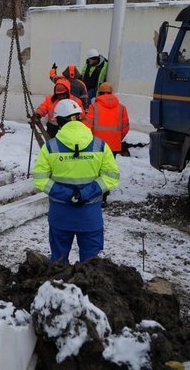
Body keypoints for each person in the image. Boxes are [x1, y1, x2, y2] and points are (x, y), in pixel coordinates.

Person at [33, 99, 119, 264]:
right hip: (90, 217)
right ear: (80, 118)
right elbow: (111, 177)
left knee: (58, 264)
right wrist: (84, 194)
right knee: (91, 267)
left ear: (58, 121)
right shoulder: (99, 146)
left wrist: (67, 194)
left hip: (60, 215)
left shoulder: (51, 147)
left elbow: (40, 179)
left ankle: (58, 288)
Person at [83, 82, 130, 156]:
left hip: (97, 144)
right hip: (114, 145)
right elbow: (125, 128)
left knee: (97, 166)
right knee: (110, 166)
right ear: (111, 93)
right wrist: (117, 137)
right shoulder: (122, 108)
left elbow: (87, 126)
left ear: (99, 93)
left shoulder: (94, 107)